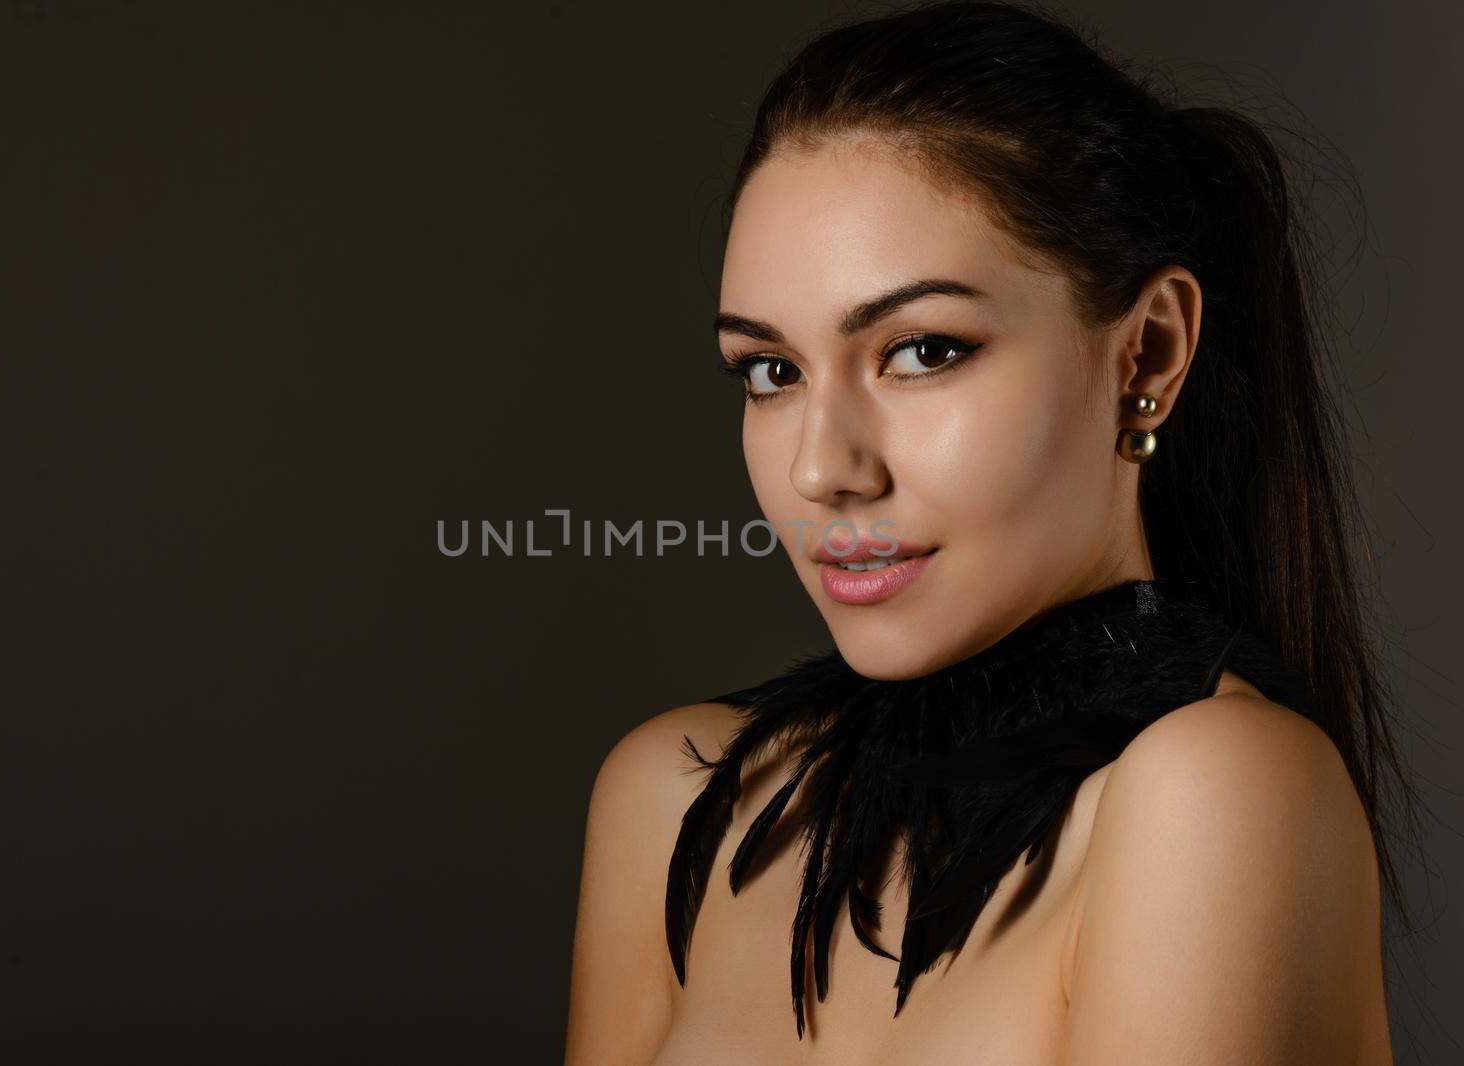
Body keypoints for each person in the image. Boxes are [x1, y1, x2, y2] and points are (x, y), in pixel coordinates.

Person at [564, 3, 1418, 1063]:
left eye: (920, 351)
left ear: (1147, 354)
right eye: (771, 372)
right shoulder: (676, 794)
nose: (820, 469)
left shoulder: (1215, 792)